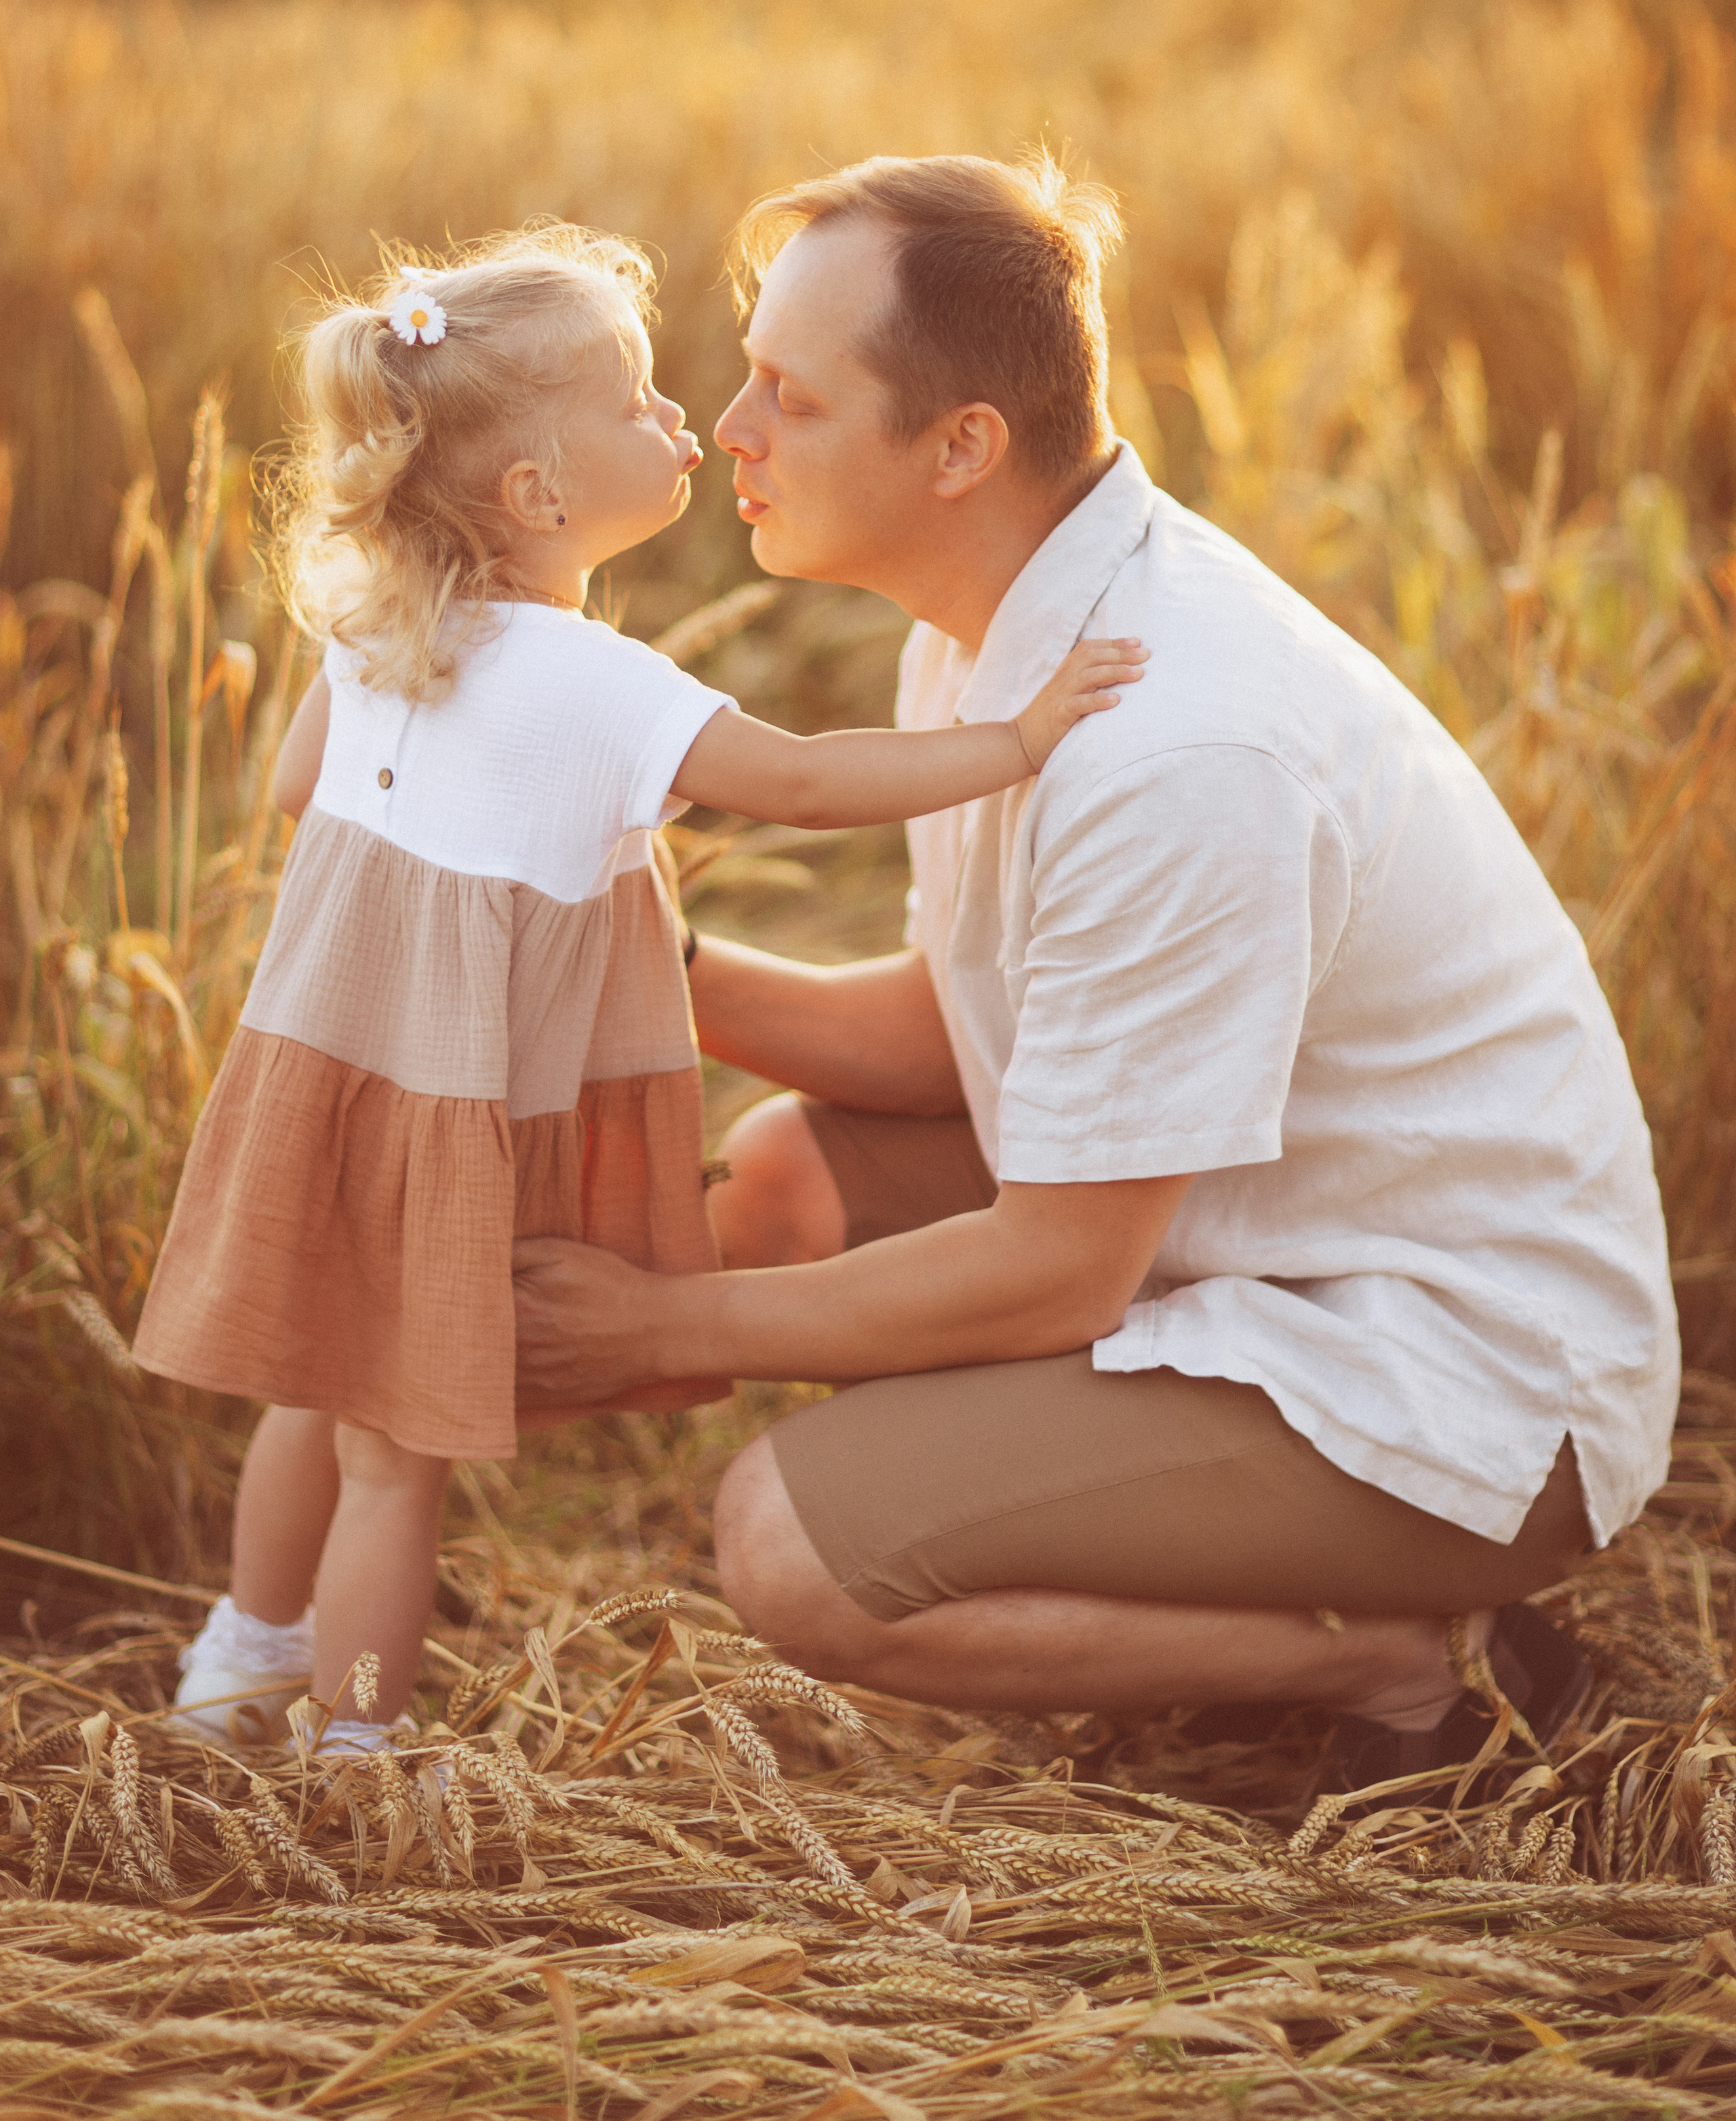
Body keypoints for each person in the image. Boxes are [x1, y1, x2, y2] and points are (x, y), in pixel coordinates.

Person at [538, 153, 1680, 1792]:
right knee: (784, 1171)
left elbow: (1056, 1270)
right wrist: (645, 959)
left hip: (1456, 1378)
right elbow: (969, 1029)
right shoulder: (996, 616)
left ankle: (1402, 1656)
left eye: (787, 394)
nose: (730, 429)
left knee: (789, 1545)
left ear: (960, 449)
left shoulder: (1174, 744)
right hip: (1277, 1232)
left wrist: (659, 1320)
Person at [135, 224, 1143, 1756]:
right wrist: (1014, 743)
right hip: (450, 1106)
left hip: (318, 1065)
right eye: (638, 404)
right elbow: (802, 785)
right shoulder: (598, 687)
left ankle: (239, 1660)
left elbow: (295, 789)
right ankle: (354, 1744)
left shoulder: (374, 625)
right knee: (398, 1464)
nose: (688, 424)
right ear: (539, 497)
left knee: (313, 1389)